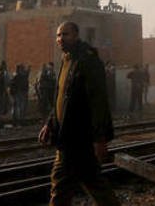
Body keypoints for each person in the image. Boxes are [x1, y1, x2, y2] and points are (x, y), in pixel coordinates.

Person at [39, 22, 117, 206]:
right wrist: (50, 123)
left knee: (64, 186)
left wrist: (100, 138)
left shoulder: (88, 61)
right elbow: (60, 97)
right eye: (58, 35)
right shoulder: (66, 61)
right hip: (66, 136)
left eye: (65, 34)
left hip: (79, 137)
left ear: (76, 35)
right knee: (88, 184)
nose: (60, 39)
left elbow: (98, 101)